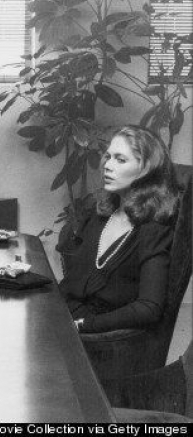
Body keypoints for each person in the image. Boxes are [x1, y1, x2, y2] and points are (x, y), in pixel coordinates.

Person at [58, 125, 180, 333]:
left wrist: (83, 325)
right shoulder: (101, 214)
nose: (107, 165)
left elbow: (149, 308)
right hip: (63, 315)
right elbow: (73, 283)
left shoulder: (153, 230)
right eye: (108, 157)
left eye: (120, 160)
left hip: (97, 335)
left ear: (146, 169)